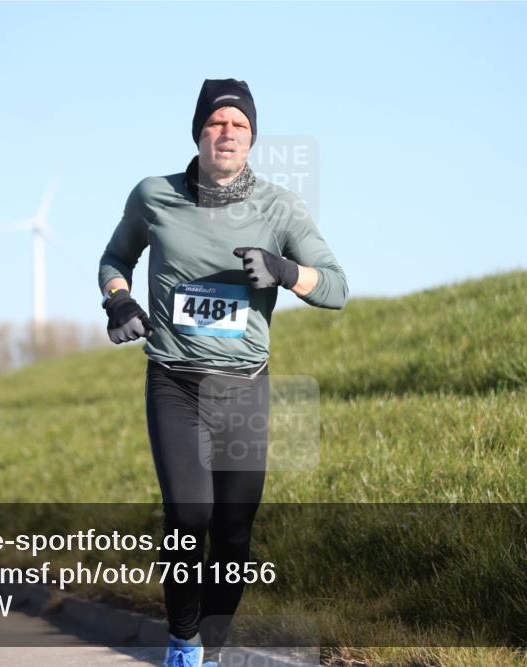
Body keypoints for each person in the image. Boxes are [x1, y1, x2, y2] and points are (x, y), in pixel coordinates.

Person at [98, 79, 348, 667]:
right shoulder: (153, 195)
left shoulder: (279, 206)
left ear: (253, 137)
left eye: (239, 124)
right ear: (199, 133)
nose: (228, 132)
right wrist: (118, 299)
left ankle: (211, 652)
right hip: (175, 380)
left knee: (234, 530)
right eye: (216, 122)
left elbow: (336, 287)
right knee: (190, 516)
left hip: (243, 387)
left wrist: (286, 270)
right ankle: (183, 644)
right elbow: (116, 258)